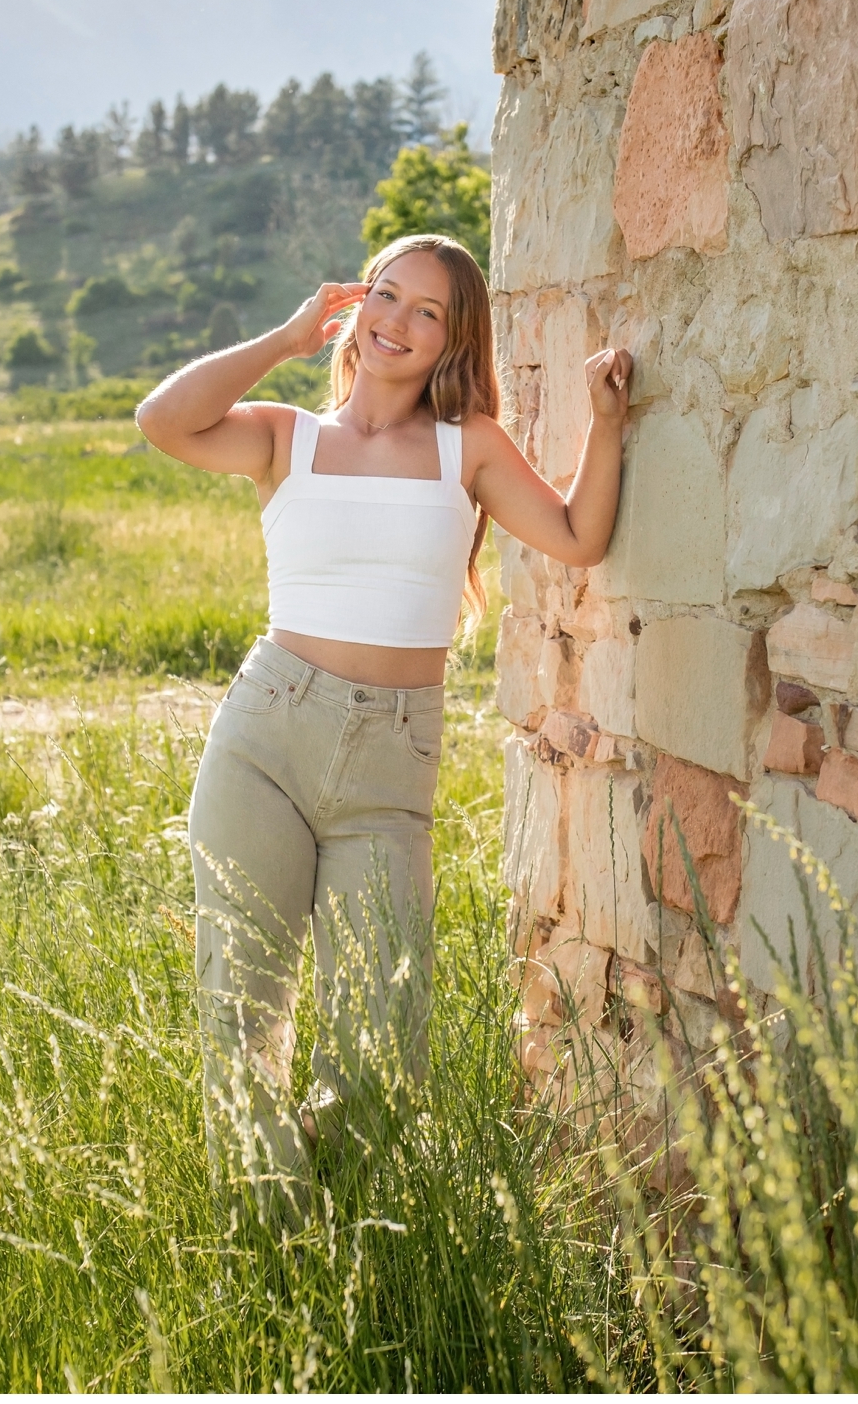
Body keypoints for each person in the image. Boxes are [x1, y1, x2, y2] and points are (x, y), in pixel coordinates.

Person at [135, 232, 632, 1207]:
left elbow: (578, 534)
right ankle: (276, 1250)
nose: (397, 321)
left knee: (382, 1053)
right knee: (241, 1019)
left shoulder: (467, 450)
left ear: (455, 339)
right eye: (386, 296)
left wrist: (607, 420)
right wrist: (282, 339)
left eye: (427, 310)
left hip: (390, 765)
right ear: (355, 308)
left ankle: (319, 1197)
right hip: (266, 739)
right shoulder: (287, 437)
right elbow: (163, 419)